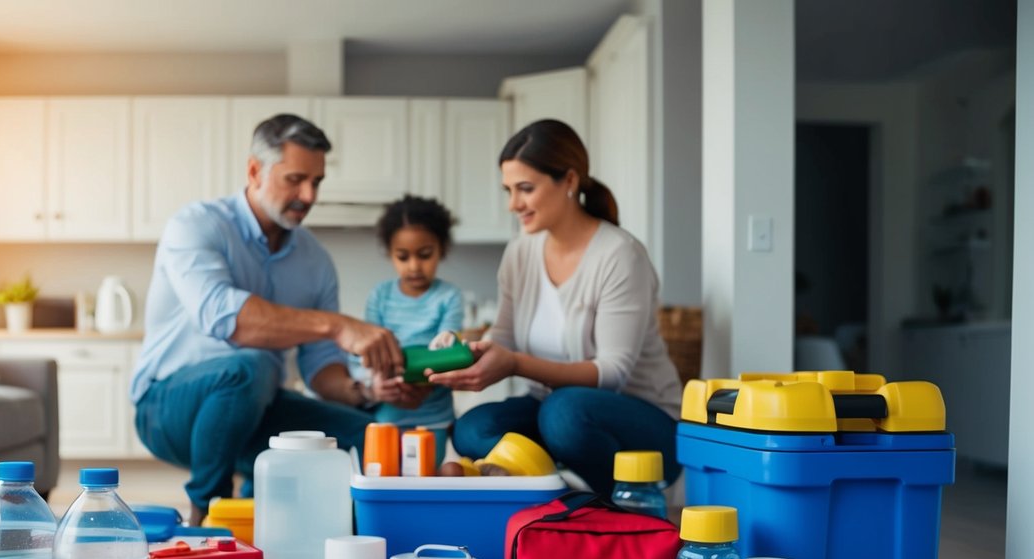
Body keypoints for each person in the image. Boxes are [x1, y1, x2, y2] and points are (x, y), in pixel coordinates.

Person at [130, 113, 415, 525]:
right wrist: (337, 324)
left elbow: (321, 370)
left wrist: (366, 388)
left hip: (255, 406)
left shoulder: (314, 261)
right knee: (252, 365)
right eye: (295, 179)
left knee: (368, 437)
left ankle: (296, 521)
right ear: (254, 170)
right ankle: (205, 516)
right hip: (166, 408)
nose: (309, 195)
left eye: (316, 182)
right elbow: (228, 320)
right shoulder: (197, 226)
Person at [428, 119, 682, 498]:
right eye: (509, 190)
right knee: (472, 429)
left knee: (564, 413)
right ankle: (564, 499)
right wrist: (464, 353)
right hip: (551, 412)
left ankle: (606, 502)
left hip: (639, 422)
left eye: (525, 189)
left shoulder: (619, 255)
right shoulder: (520, 252)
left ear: (569, 181)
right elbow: (504, 335)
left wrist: (514, 363)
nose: (514, 204)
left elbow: (611, 373)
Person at [359, 195, 465, 464]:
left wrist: (447, 346)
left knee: (427, 482)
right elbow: (366, 353)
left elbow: (449, 352)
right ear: (390, 253)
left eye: (425, 255)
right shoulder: (380, 296)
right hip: (387, 416)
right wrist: (375, 381)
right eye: (403, 257)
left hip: (434, 417)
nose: (414, 266)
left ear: (442, 249)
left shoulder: (449, 297)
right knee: (385, 478)